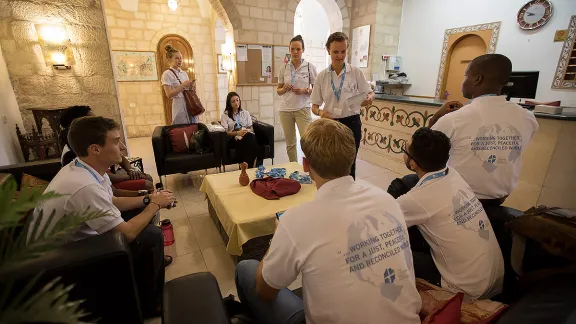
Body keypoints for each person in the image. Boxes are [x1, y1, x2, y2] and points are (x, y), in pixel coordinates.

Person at [235, 119, 421, 324]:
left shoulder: (296, 220)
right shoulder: (388, 201)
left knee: (246, 269)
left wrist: (276, 239)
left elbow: (265, 290)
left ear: (306, 165)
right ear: (351, 157)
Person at [30, 116, 176, 317]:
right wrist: (155, 204)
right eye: (116, 141)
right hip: (60, 259)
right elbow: (127, 234)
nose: (123, 147)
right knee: (150, 236)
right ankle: (151, 305)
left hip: (71, 239)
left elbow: (112, 200)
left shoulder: (85, 167)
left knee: (142, 216)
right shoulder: (84, 186)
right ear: (95, 149)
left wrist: (148, 199)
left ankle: (146, 267)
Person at [397, 128, 504, 299]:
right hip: (495, 279)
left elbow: (382, 221)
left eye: (404, 150)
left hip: (467, 290)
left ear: (413, 163)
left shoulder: (416, 200)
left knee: (392, 251)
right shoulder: (454, 175)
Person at [428, 54, 539, 205]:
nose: (464, 81)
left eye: (466, 75)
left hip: (455, 199)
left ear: (477, 79)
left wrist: (436, 118)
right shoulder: (527, 118)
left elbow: (418, 155)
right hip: (498, 199)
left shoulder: (455, 119)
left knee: (407, 183)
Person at [310, 32, 375, 179]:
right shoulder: (322, 76)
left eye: (343, 51)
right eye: (335, 52)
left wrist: (369, 99)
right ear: (328, 51)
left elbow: (370, 93)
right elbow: (314, 106)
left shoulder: (355, 72)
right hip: (330, 124)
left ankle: (348, 196)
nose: (339, 56)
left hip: (351, 123)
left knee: (350, 164)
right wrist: (321, 113)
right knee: (330, 163)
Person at [59, 105, 154, 191]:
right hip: (103, 184)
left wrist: (130, 170)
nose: (99, 122)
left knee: (147, 177)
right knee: (146, 183)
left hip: (107, 180)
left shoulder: (92, 139)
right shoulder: (73, 152)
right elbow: (103, 178)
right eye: (93, 120)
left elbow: (120, 157)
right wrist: (128, 177)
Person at [277, 35, 318, 163]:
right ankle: (294, 167)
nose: (295, 52)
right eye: (292, 49)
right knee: (290, 143)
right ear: (289, 50)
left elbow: (317, 90)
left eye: (298, 49)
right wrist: (283, 89)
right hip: (285, 111)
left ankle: (310, 169)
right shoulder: (283, 68)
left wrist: (304, 91)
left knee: (307, 141)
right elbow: (278, 91)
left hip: (302, 109)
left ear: (303, 50)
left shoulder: (309, 67)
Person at [161, 44, 200, 125]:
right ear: (169, 60)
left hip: (189, 103)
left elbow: (187, 89)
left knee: (193, 126)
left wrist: (191, 86)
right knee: (181, 129)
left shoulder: (184, 73)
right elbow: (169, 94)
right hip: (179, 105)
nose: (180, 60)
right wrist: (183, 85)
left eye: (180, 58)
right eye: (177, 58)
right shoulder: (167, 74)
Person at [220, 92, 261, 168]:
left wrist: (245, 131)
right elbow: (225, 133)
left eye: (237, 100)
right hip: (233, 139)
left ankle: (245, 167)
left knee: (250, 137)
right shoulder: (225, 115)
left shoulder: (245, 113)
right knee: (251, 140)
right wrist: (237, 133)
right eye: (233, 101)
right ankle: (252, 166)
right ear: (229, 104)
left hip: (246, 135)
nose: (236, 103)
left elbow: (251, 128)